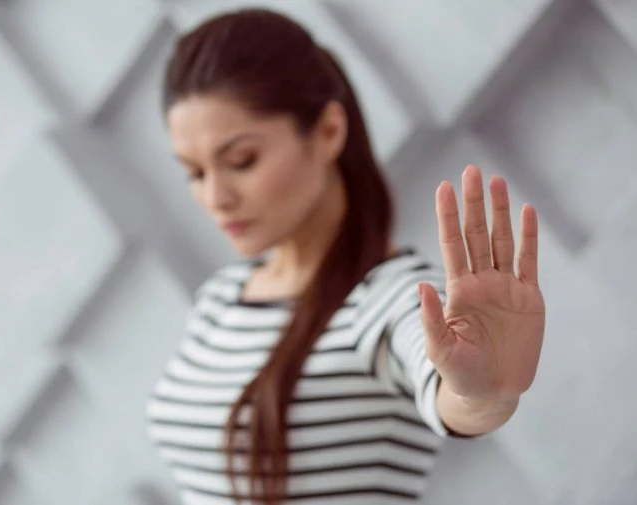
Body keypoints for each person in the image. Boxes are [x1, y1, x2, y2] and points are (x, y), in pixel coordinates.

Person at [146, 7, 545, 505]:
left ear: (329, 131)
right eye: (194, 172)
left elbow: (456, 391)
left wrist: (486, 392)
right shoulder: (220, 298)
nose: (214, 196)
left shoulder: (386, 297)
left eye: (240, 161)